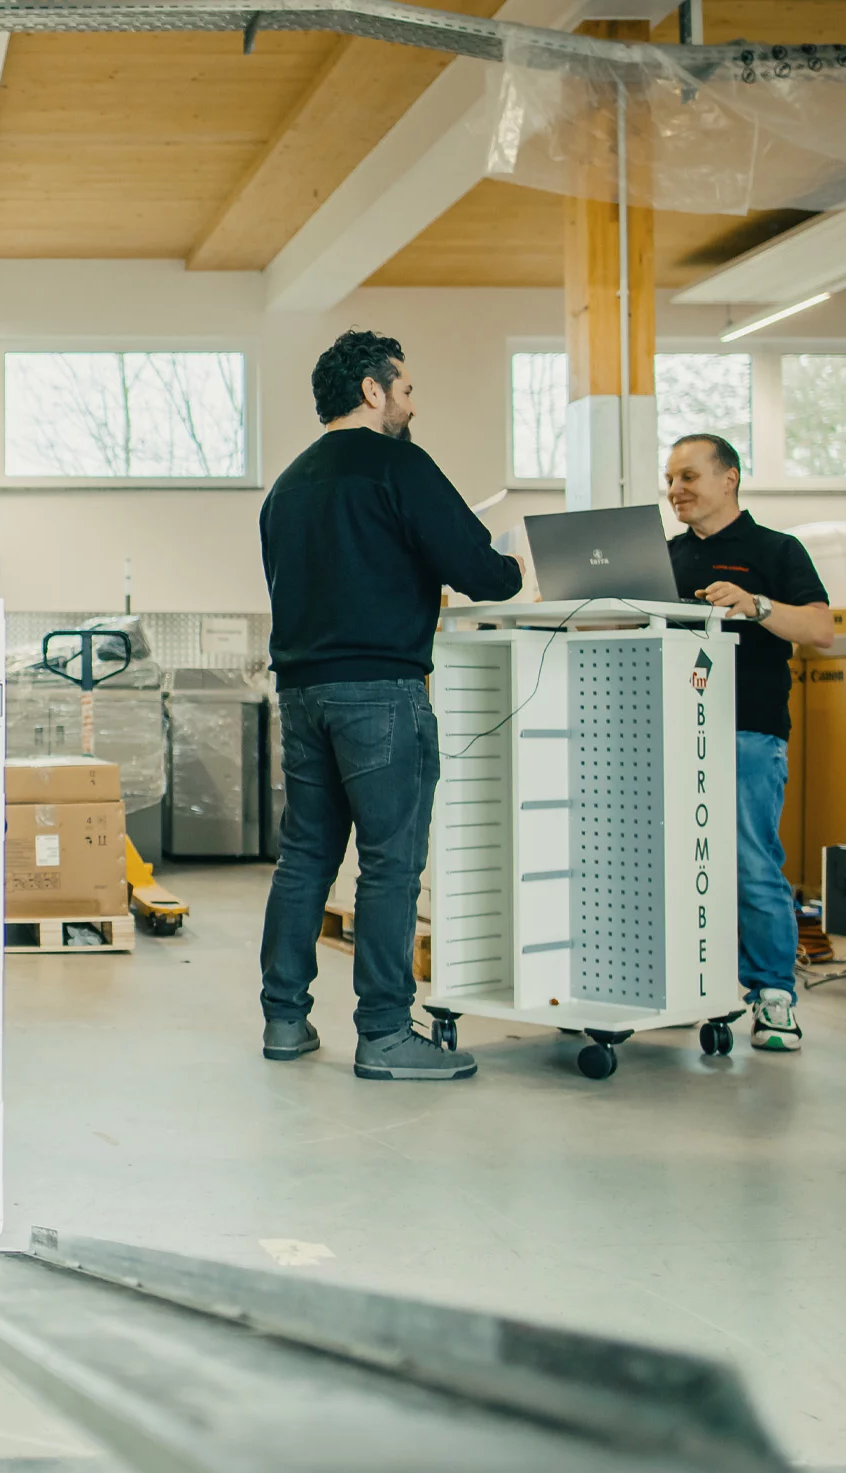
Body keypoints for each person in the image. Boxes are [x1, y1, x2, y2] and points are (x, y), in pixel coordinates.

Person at [258, 331, 522, 1081]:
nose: (411, 403)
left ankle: (285, 1019)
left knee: (305, 857)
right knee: (390, 863)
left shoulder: (287, 485)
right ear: (372, 392)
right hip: (380, 693)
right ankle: (383, 1031)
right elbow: (480, 571)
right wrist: (512, 565)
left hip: (302, 693)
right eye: (404, 389)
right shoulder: (398, 465)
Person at [664, 434, 834, 1052]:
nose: (675, 490)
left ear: (729, 477)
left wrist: (756, 604)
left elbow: (821, 628)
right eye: (670, 479)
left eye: (688, 477)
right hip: (670, 736)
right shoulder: (665, 556)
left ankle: (772, 997)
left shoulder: (775, 550)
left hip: (747, 733)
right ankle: (686, 983)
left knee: (750, 863)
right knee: (671, 863)